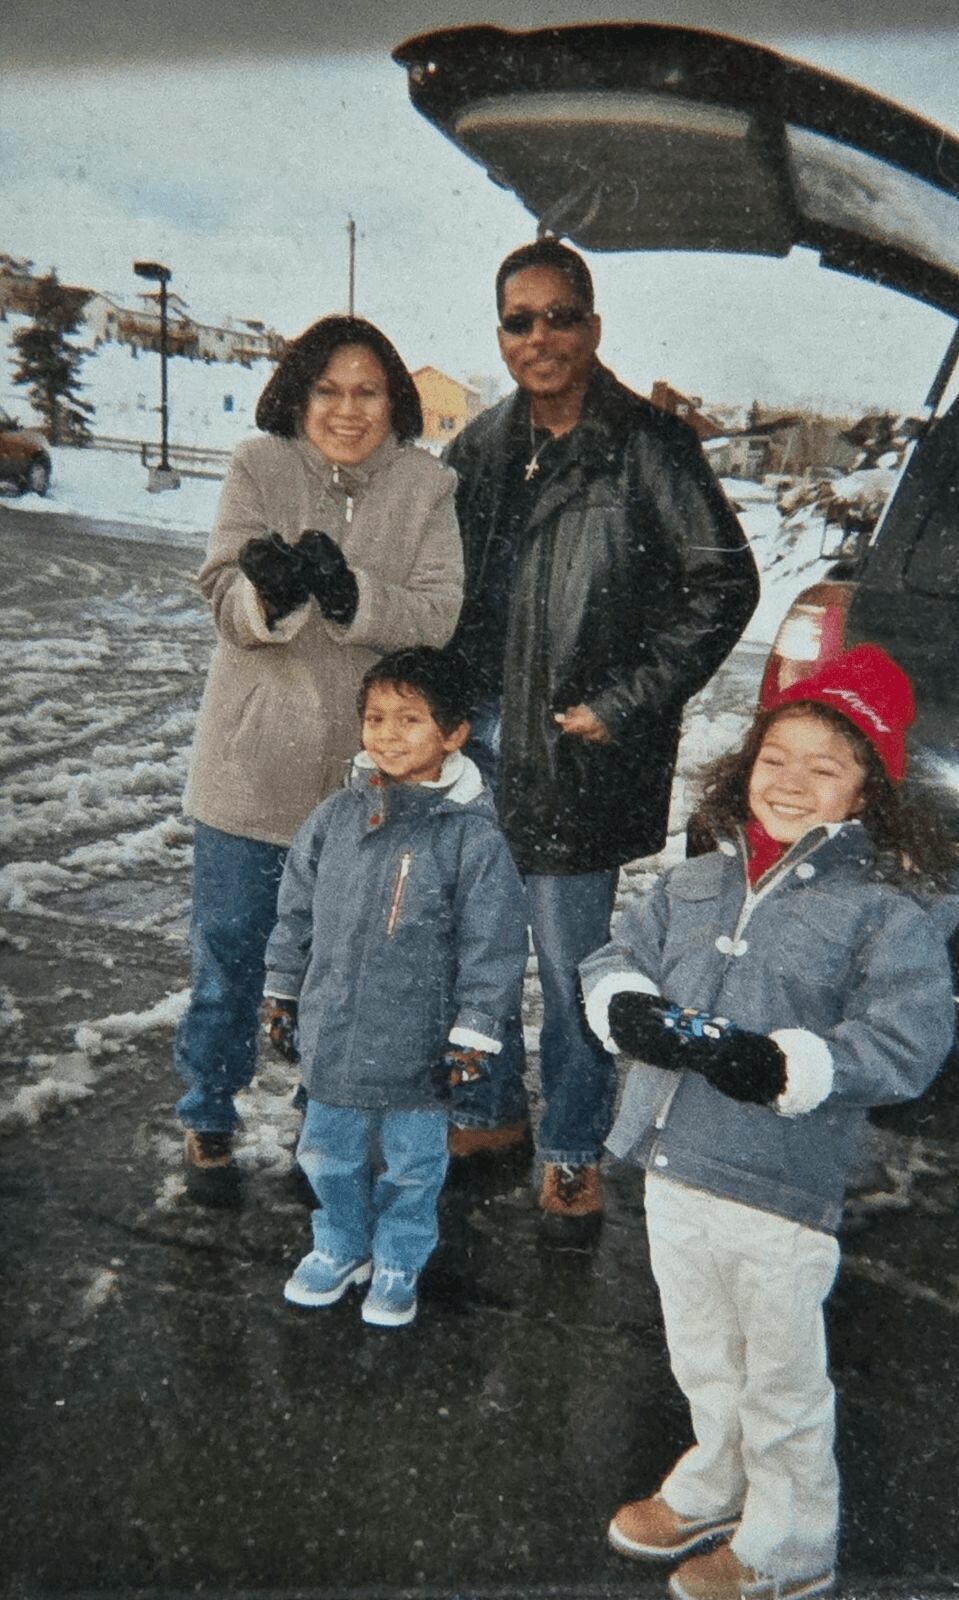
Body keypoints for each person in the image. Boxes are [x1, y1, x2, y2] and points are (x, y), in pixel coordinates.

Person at [579, 644, 956, 1600]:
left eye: (823, 768)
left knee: (780, 1378)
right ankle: (717, 1477)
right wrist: (624, 1001)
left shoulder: (882, 913)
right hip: (674, 1162)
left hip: (778, 1182)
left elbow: (906, 1042)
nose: (789, 781)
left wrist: (789, 1063)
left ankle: (791, 1541)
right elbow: (616, 954)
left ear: (866, 793)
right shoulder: (695, 881)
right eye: (774, 758)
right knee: (702, 1350)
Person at [443, 237, 760, 1230]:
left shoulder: (646, 444)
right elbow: (440, 590)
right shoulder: (478, 448)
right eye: (518, 320)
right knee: (477, 948)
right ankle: (489, 1110)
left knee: (569, 960)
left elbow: (724, 584)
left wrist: (624, 701)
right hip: (474, 740)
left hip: (573, 752)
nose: (538, 337)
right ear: (500, 335)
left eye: (558, 316)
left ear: (591, 327)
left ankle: (572, 1144)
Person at [174, 316, 463, 1200]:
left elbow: (437, 614)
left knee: (343, 974)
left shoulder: (428, 486)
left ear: (394, 400)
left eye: (367, 391)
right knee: (230, 958)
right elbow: (221, 594)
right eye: (328, 390)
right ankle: (208, 1117)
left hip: (365, 784)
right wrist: (268, 594)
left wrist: (350, 596)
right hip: (249, 771)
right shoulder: (257, 466)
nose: (347, 409)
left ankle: (323, 1131)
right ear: (298, 396)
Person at [262, 646, 528, 1327]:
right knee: (328, 1152)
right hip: (334, 1031)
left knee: (411, 1165)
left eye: (410, 719)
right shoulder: (334, 818)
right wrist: (283, 991)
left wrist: (475, 1032)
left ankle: (399, 1257)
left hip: (420, 1044)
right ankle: (340, 1244)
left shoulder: (472, 839)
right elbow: (295, 912)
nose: (387, 734)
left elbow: (493, 946)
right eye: (375, 717)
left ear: (455, 732)